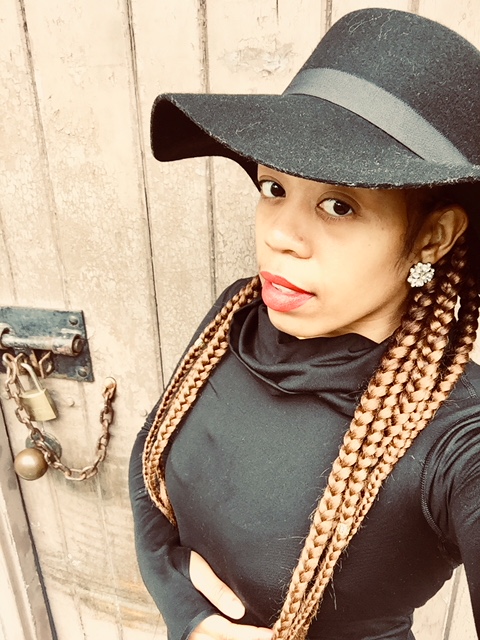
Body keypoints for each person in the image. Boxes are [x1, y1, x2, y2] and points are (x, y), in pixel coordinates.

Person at [129, 8, 480, 640]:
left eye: (339, 205)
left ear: (433, 237)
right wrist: (184, 604)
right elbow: (151, 449)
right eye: (274, 189)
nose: (281, 236)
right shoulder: (238, 315)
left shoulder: (458, 437)